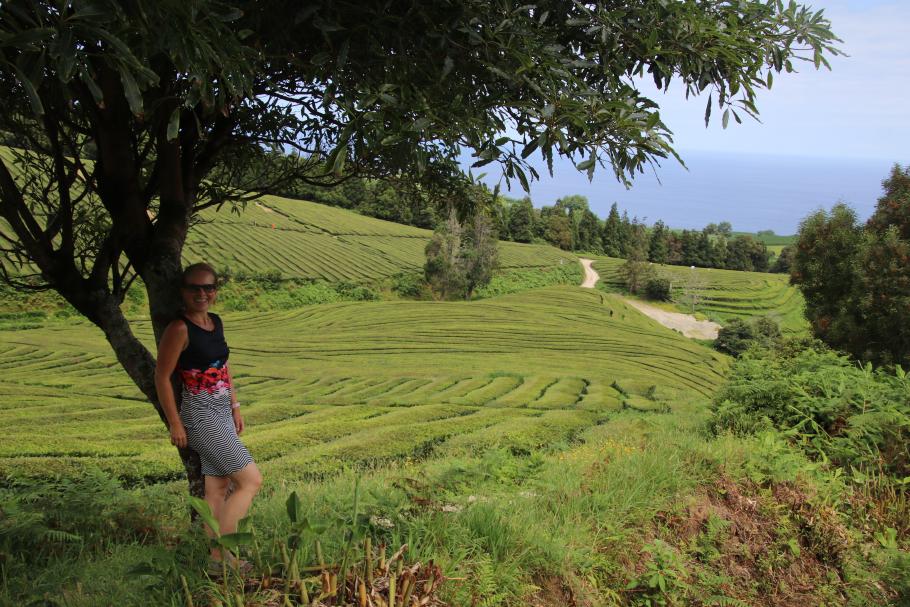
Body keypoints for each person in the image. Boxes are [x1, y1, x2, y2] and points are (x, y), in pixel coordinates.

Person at [154, 262, 262, 573]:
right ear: (183, 291)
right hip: (200, 414)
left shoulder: (215, 322)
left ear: (215, 291)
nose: (202, 293)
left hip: (222, 411)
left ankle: (215, 563)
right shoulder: (179, 329)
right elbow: (162, 377)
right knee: (251, 480)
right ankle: (227, 554)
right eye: (194, 288)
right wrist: (176, 423)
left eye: (208, 287)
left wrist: (235, 405)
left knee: (217, 487)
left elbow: (223, 367)